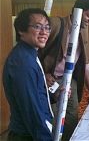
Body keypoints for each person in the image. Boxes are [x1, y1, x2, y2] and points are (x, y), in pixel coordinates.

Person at [38, 0, 89, 140]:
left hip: (69, 80)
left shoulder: (82, 33)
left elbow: (85, 65)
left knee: (72, 117)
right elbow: (36, 50)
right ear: (77, 11)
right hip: (50, 80)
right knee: (52, 118)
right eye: (88, 15)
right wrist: (43, 73)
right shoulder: (56, 24)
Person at [3, 8, 54, 141]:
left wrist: (55, 94)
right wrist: (45, 137)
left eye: (47, 27)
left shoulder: (29, 53)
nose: (44, 32)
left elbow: (35, 93)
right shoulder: (23, 62)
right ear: (21, 30)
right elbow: (31, 109)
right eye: (37, 27)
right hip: (28, 135)